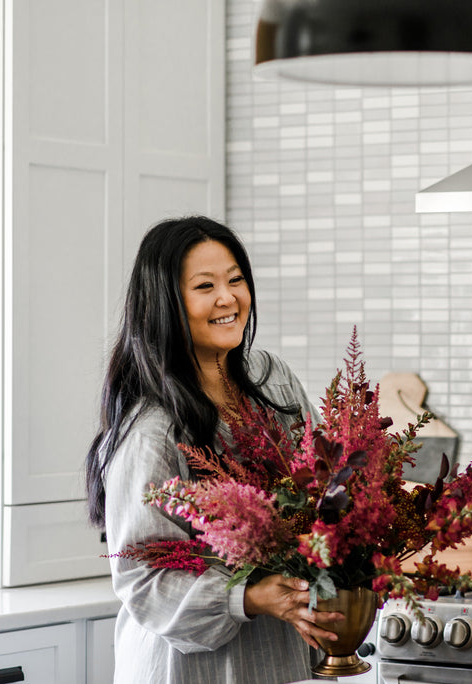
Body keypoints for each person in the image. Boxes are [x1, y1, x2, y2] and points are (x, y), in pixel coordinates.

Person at [85, 215, 343, 683]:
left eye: (236, 280)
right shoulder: (152, 430)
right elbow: (142, 580)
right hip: (189, 668)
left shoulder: (271, 377)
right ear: (165, 304)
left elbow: (323, 478)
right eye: (205, 286)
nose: (228, 298)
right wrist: (248, 596)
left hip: (282, 654)